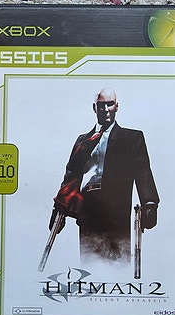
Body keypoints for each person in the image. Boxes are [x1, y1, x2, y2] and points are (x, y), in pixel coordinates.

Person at [49, 87, 159, 263]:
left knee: (118, 263)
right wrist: (58, 208)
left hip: (115, 210)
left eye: (110, 104)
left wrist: (150, 202)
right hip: (88, 209)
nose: (106, 109)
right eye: (101, 105)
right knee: (89, 263)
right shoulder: (83, 141)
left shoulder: (131, 138)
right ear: (95, 108)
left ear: (117, 106)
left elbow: (142, 170)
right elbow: (71, 176)